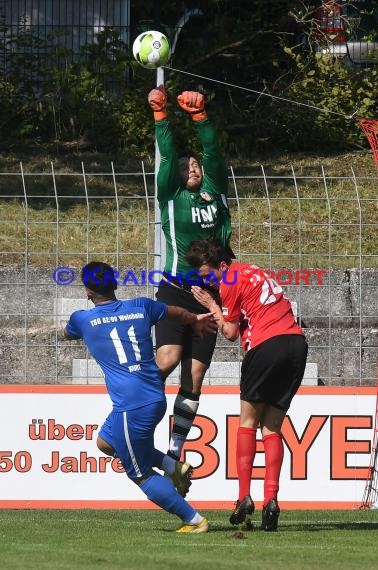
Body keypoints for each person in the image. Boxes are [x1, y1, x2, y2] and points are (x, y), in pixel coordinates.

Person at [63, 261, 217, 533]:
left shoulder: (81, 319)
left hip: (130, 406)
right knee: (105, 443)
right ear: (115, 284)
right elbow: (176, 312)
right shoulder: (142, 306)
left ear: (87, 291)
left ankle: (194, 521)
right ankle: (172, 466)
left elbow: (67, 333)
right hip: (154, 397)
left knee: (140, 473)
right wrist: (194, 320)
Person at [185, 238, 308, 532]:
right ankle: (272, 501)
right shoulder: (253, 271)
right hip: (296, 345)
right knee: (273, 427)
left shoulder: (229, 280)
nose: (206, 281)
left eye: (208, 275)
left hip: (266, 346)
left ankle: (243, 498)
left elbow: (229, 331)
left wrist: (212, 304)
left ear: (222, 266)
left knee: (247, 423)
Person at [148, 84, 233, 461]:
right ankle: (133, 416)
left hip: (212, 293)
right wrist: (162, 117)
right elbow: (166, 157)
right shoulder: (170, 195)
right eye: (186, 166)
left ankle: (173, 452)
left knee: (194, 378)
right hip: (174, 290)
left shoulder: (215, 190)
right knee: (166, 359)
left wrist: (201, 118)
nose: (193, 167)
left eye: (195, 164)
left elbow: (214, 152)